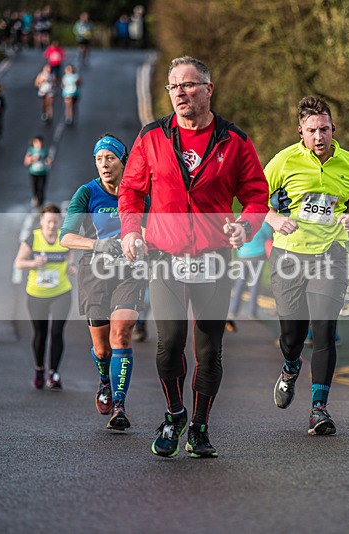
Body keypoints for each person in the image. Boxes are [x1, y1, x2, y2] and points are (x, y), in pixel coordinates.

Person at [118, 56, 269, 459]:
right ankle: (174, 415)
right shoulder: (152, 137)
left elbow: (257, 194)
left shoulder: (234, 141)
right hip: (164, 255)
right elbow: (131, 190)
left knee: (208, 350)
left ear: (208, 89)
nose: (180, 93)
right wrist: (131, 230)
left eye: (188, 85)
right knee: (169, 344)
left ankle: (199, 427)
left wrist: (246, 226)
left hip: (213, 257)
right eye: (174, 87)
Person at [265, 95, 349, 436]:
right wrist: (274, 219)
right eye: (311, 130)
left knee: (324, 330)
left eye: (324, 129)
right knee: (292, 336)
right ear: (301, 131)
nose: (319, 136)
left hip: (331, 254)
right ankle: (290, 366)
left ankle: (319, 409)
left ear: (333, 129)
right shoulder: (283, 161)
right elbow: (251, 196)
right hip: (289, 256)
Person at [60, 134, 148, 431]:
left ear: (123, 161)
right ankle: (104, 380)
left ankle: (119, 405)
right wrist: (97, 245)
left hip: (130, 271)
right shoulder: (87, 193)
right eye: (99, 159)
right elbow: (66, 237)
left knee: (121, 335)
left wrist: (144, 241)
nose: (104, 164)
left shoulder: (140, 193)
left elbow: (156, 226)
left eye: (110, 158)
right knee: (102, 350)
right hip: (95, 272)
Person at [14, 204, 76, 390]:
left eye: (55, 221)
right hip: (37, 294)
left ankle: (54, 373)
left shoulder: (64, 238)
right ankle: (40, 369)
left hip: (61, 293)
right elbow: (19, 263)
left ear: (59, 222)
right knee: (40, 334)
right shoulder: (33, 238)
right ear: (41, 221)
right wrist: (33, 263)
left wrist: (71, 267)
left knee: (56, 332)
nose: (51, 225)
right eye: (48, 221)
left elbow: (70, 258)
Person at [225, 221, 273, 332]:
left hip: (243, 254)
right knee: (254, 284)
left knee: (240, 283)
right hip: (258, 255)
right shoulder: (263, 222)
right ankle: (252, 312)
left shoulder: (240, 219)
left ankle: (233, 311)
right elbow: (268, 236)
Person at [23, 135, 52, 208]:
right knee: (35, 187)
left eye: (40, 142)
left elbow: (48, 159)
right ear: (33, 143)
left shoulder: (44, 151)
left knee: (41, 187)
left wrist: (49, 162)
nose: (39, 144)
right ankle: (35, 198)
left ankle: (41, 202)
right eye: (37, 142)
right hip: (34, 173)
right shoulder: (31, 151)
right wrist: (33, 159)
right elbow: (26, 162)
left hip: (43, 172)